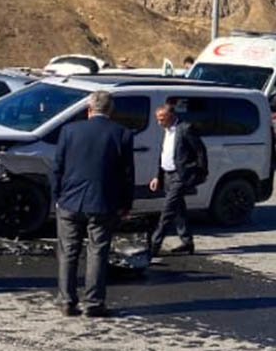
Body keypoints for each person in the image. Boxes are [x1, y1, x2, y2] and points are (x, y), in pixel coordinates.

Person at [52, 90, 134, 317]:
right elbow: (127, 174)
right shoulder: (122, 134)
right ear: (111, 110)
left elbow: (58, 167)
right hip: (103, 202)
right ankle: (94, 303)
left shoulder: (69, 131)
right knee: (97, 252)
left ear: (89, 109)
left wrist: (56, 196)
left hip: (70, 200)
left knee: (68, 252)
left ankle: (67, 301)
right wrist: (126, 204)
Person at [148, 103, 208, 256]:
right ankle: (187, 242)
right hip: (167, 175)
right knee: (178, 209)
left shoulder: (185, 129)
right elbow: (164, 154)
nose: (159, 123)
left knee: (167, 210)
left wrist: (200, 172)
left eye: (162, 119)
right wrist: (157, 176)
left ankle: (154, 245)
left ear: (171, 116)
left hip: (180, 176)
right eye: (158, 119)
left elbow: (200, 151)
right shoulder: (166, 131)